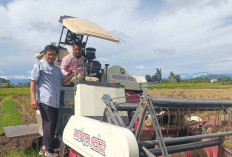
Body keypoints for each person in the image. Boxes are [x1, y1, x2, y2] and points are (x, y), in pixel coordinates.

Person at [30, 45, 79, 157]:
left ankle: (43, 148)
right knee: (50, 124)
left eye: (53, 54)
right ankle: (48, 150)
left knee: (50, 125)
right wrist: (33, 99)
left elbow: (62, 82)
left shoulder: (57, 69)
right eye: (49, 54)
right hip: (45, 100)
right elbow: (33, 82)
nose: (51, 57)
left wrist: (73, 73)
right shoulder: (39, 66)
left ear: (56, 55)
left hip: (55, 101)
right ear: (44, 54)